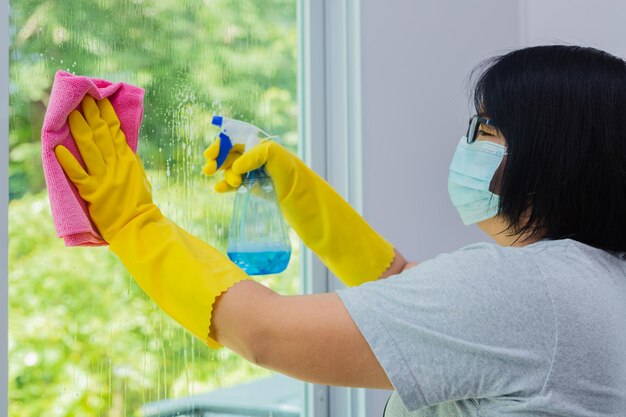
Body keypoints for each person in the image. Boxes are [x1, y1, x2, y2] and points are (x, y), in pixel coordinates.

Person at [55, 45, 626, 416]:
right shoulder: (591, 282)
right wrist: (296, 188)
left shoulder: (530, 292)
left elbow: (267, 335)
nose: (467, 144)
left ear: (555, 155)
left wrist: (134, 223)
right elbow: (403, 287)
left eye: (486, 128)